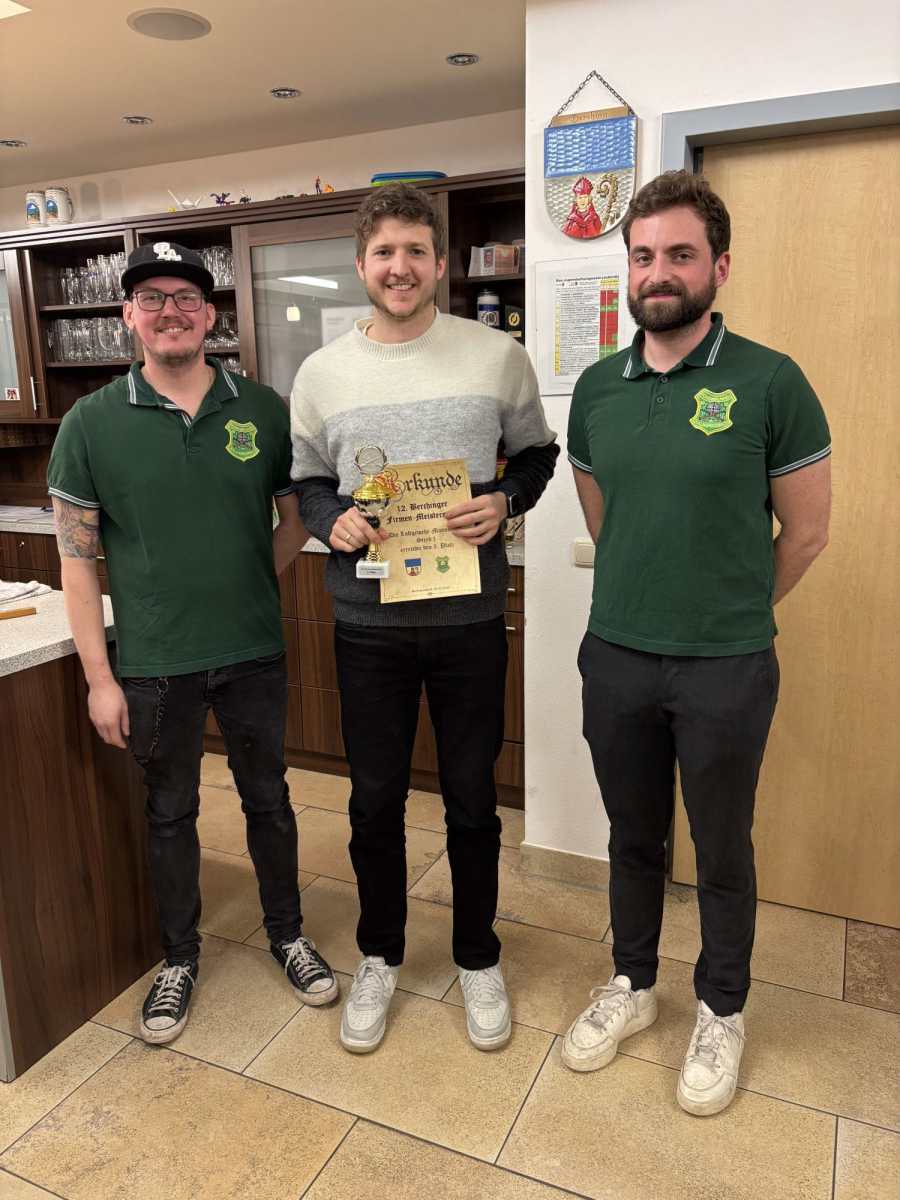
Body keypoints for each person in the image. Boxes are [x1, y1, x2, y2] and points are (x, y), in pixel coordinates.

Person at [563, 171, 831, 1115]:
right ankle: (633, 983)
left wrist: (726, 610)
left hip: (727, 666)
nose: (659, 272)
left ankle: (722, 1007)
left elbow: (806, 534)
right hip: (617, 656)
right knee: (633, 835)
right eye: (643, 256)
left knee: (721, 844)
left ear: (719, 266)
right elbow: (607, 518)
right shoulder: (597, 388)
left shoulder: (771, 381)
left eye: (680, 254)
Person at [290, 183, 559, 1053]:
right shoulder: (321, 374)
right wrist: (329, 519)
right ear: (361, 266)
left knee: (474, 800)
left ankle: (478, 955)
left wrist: (506, 501)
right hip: (368, 626)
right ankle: (380, 953)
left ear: (440, 264)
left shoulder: (496, 356)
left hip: (467, 620)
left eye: (415, 251)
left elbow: (538, 455)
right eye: (384, 253)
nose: (399, 267)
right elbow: (308, 480)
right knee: (373, 800)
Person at [47, 241, 337, 1045]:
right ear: (127, 316)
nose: (169, 311)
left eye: (185, 298)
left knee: (269, 799)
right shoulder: (91, 422)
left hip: (252, 652)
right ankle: (179, 958)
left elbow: (294, 521)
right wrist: (99, 677)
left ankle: (288, 935)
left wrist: (246, 578)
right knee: (170, 812)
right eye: (152, 298)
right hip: (153, 664)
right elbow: (76, 560)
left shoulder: (263, 409)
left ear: (210, 315)